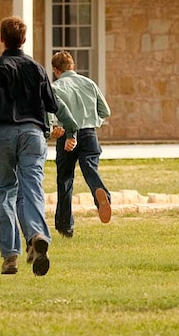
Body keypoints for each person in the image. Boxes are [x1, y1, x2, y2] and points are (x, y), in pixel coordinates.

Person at [0, 16, 77, 276]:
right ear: (24, 39)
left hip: (4, 133)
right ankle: (37, 234)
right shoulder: (37, 68)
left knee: (7, 191)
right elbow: (51, 103)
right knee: (32, 188)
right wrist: (66, 124)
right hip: (33, 134)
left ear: (2, 39)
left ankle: (10, 256)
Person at [49, 50, 112, 238]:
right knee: (90, 167)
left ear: (55, 70)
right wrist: (93, 122)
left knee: (65, 179)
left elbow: (51, 113)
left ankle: (65, 225)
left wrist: (55, 127)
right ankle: (101, 194)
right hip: (89, 133)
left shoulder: (55, 87)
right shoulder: (89, 83)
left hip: (66, 135)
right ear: (72, 66)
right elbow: (105, 111)